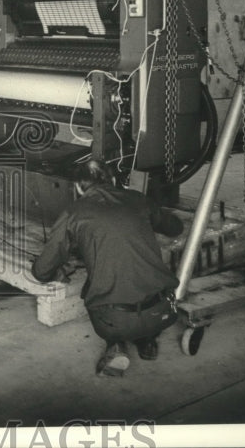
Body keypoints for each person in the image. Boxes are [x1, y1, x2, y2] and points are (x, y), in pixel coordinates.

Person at [31, 159, 184, 377]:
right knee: (142, 284)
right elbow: (175, 228)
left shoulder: (74, 213)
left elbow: (41, 271)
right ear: (113, 180)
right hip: (164, 312)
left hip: (113, 322)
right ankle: (148, 342)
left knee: (96, 287)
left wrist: (64, 261)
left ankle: (116, 346)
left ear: (78, 188)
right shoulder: (138, 199)